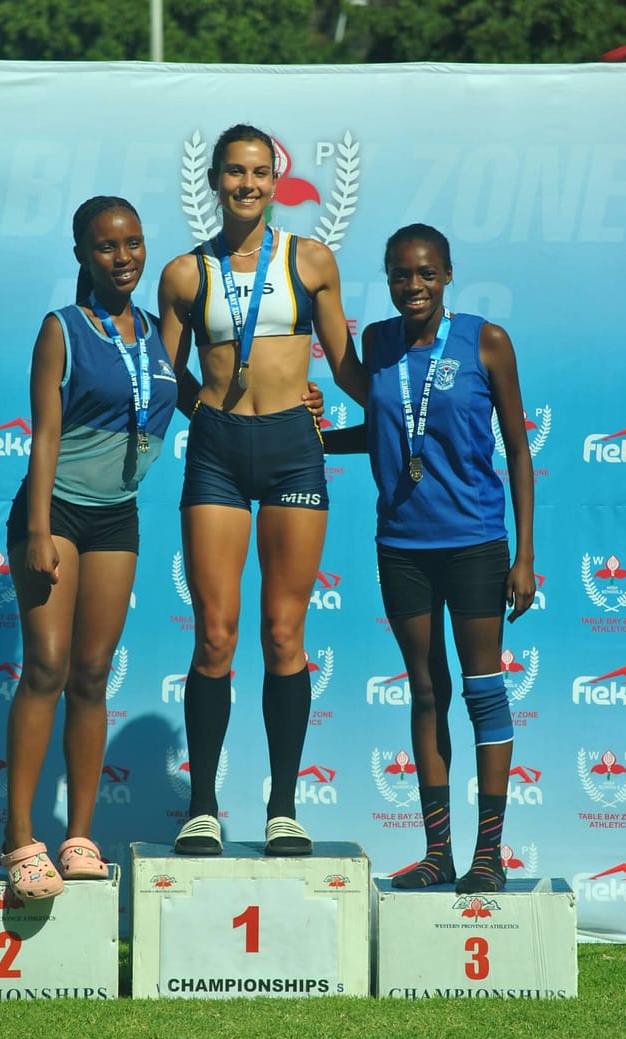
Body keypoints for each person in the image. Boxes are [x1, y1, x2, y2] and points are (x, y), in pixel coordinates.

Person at [158, 123, 365, 857]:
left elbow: (346, 367)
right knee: (215, 634)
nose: (246, 184)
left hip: (292, 454)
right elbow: (165, 374)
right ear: (214, 180)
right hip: (217, 453)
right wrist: (209, 418)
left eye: (258, 173)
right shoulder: (184, 274)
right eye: (233, 172)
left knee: (283, 634)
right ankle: (202, 808)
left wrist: (404, 413)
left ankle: (283, 809)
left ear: (275, 182)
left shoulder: (310, 259)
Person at [323, 224, 535, 893]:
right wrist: (316, 436)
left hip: (474, 540)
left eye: (424, 273)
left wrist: (524, 554)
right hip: (401, 545)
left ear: (446, 276)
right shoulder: (377, 342)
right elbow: (386, 429)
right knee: (424, 690)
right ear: (387, 278)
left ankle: (488, 855)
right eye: (399, 274)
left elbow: (518, 448)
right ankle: (438, 853)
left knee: (481, 690)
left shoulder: (485, 341)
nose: (411, 285)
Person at [0, 196, 181, 900]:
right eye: (106, 246)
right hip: (56, 514)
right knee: (46, 666)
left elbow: (202, 397)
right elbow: (44, 435)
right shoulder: (63, 328)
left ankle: (78, 837)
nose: (123, 256)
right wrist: (38, 529)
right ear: (82, 254)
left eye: (132, 242)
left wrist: (300, 405)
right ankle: (19, 837)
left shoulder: (161, 332)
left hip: (117, 518)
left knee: (92, 673)